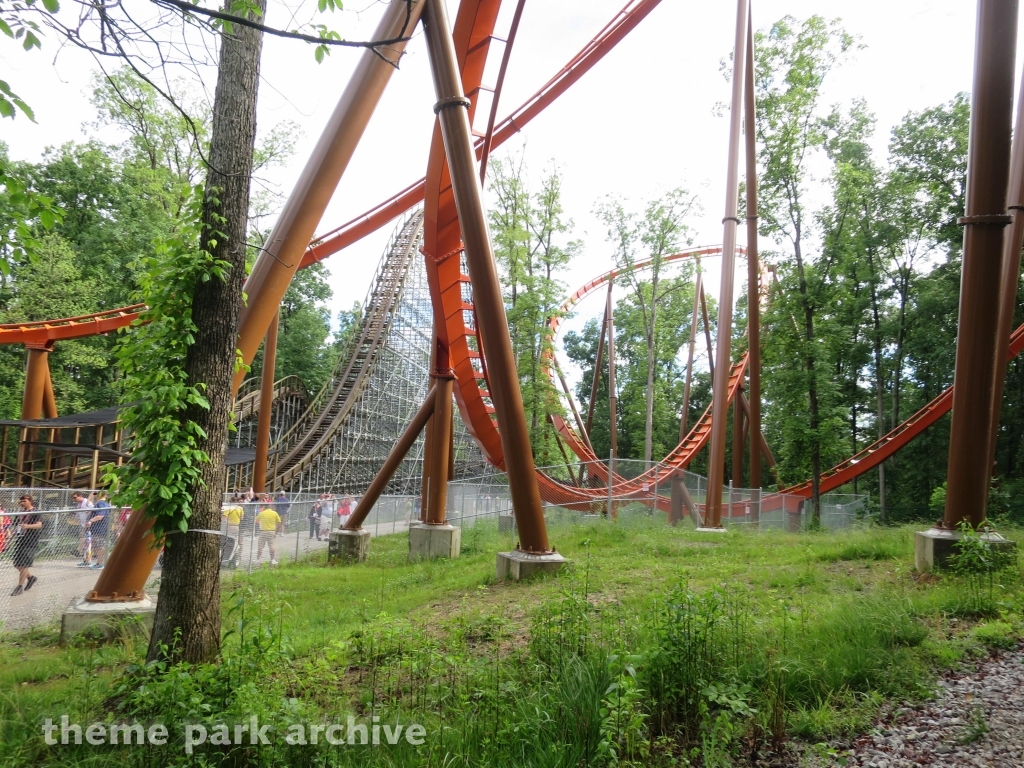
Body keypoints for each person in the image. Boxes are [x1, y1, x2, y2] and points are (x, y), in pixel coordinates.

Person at [11, 495, 43, 596]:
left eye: (24, 501)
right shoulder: (20, 513)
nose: (22, 503)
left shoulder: (36, 512)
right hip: (20, 540)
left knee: (24, 564)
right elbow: (16, 526)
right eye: (21, 501)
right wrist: (11, 535)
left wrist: (27, 526)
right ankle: (30, 578)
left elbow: (39, 525)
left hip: (30, 541)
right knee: (17, 564)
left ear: (30, 501)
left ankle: (19, 586)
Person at [87, 492, 112, 569]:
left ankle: (100, 563)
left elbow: (100, 516)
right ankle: (99, 562)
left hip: (100, 529)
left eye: (97, 494)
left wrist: (91, 520)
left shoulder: (101, 503)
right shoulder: (105, 503)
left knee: (100, 546)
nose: (96, 495)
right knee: (98, 546)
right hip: (100, 529)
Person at [71, 491, 94, 566]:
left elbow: (92, 510)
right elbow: (77, 515)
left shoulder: (86, 502)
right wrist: (74, 515)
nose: (74, 499)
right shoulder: (79, 505)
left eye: (75, 497)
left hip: (89, 525)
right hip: (83, 525)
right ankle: (85, 560)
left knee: (87, 541)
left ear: (80, 496)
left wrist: (88, 520)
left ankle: (79, 551)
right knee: (86, 543)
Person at [222, 495, 244, 564]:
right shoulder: (240, 508)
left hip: (229, 526)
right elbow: (242, 518)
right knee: (235, 541)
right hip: (236, 527)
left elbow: (224, 519)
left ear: (230, 502)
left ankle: (226, 557)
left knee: (228, 540)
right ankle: (236, 554)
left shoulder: (229, 508)